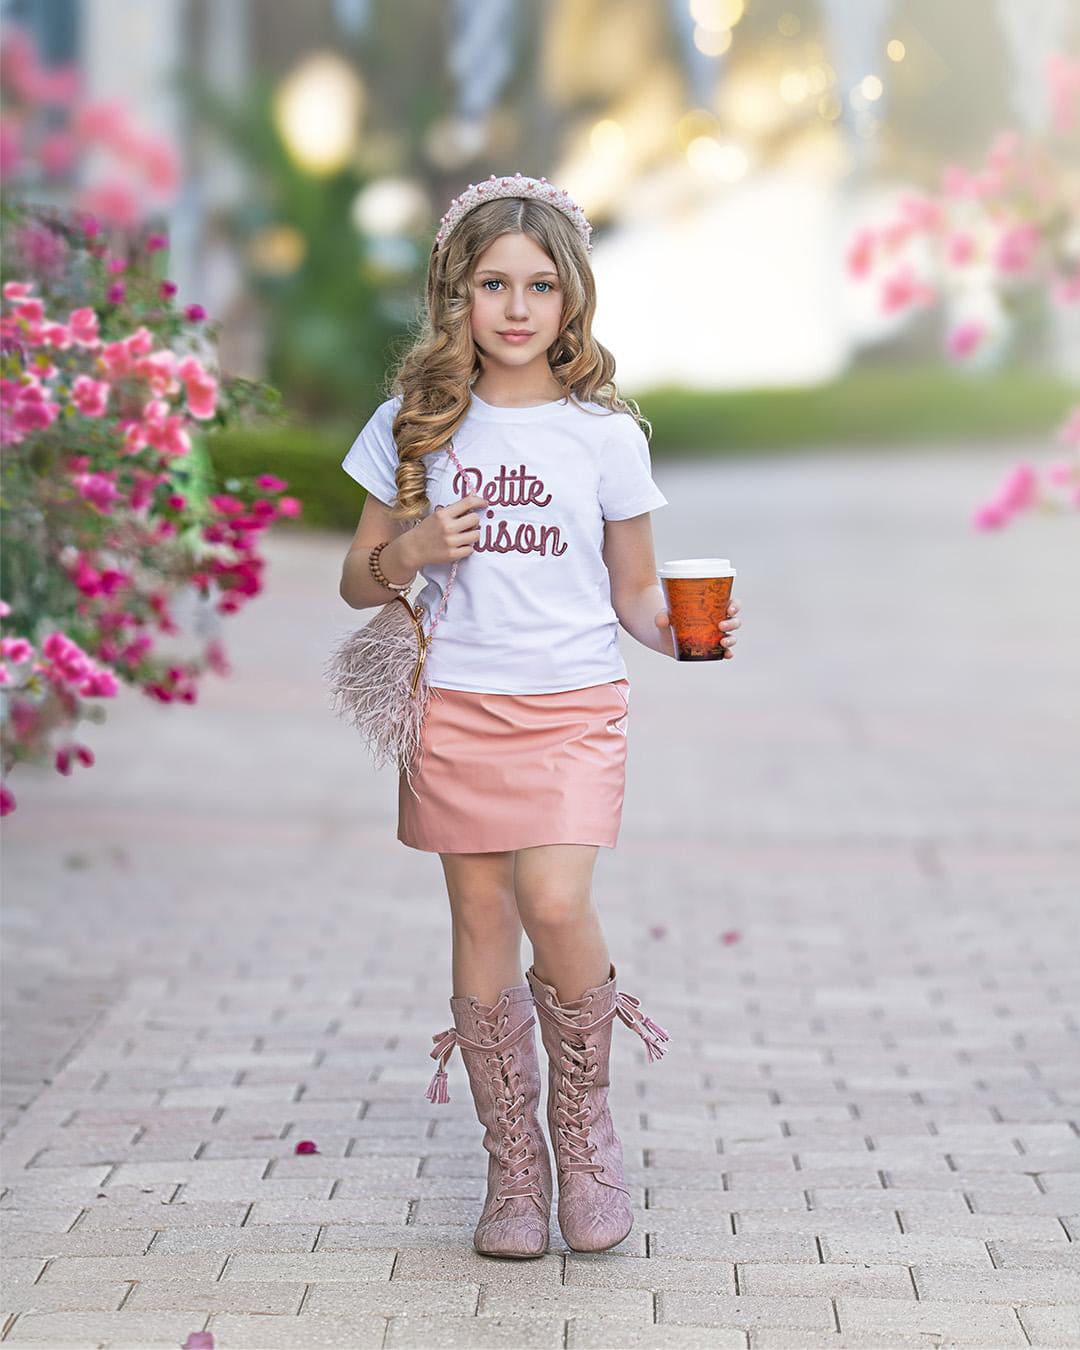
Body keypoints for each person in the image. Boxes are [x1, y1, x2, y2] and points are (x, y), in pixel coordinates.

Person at [337, 173, 742, 1260]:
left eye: (540, 286)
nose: (516, 308)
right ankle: (514, 1166)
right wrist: (409, 553)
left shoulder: (604, 436)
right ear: (453, 295)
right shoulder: (412, 426)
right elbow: (355, 581)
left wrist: (683, 636)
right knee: (479, 922)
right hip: (457, 706)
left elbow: (634, 596)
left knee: (554, 900)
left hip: (571, 705)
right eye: (492, 284)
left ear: (573, 301)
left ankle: (585, 1128)